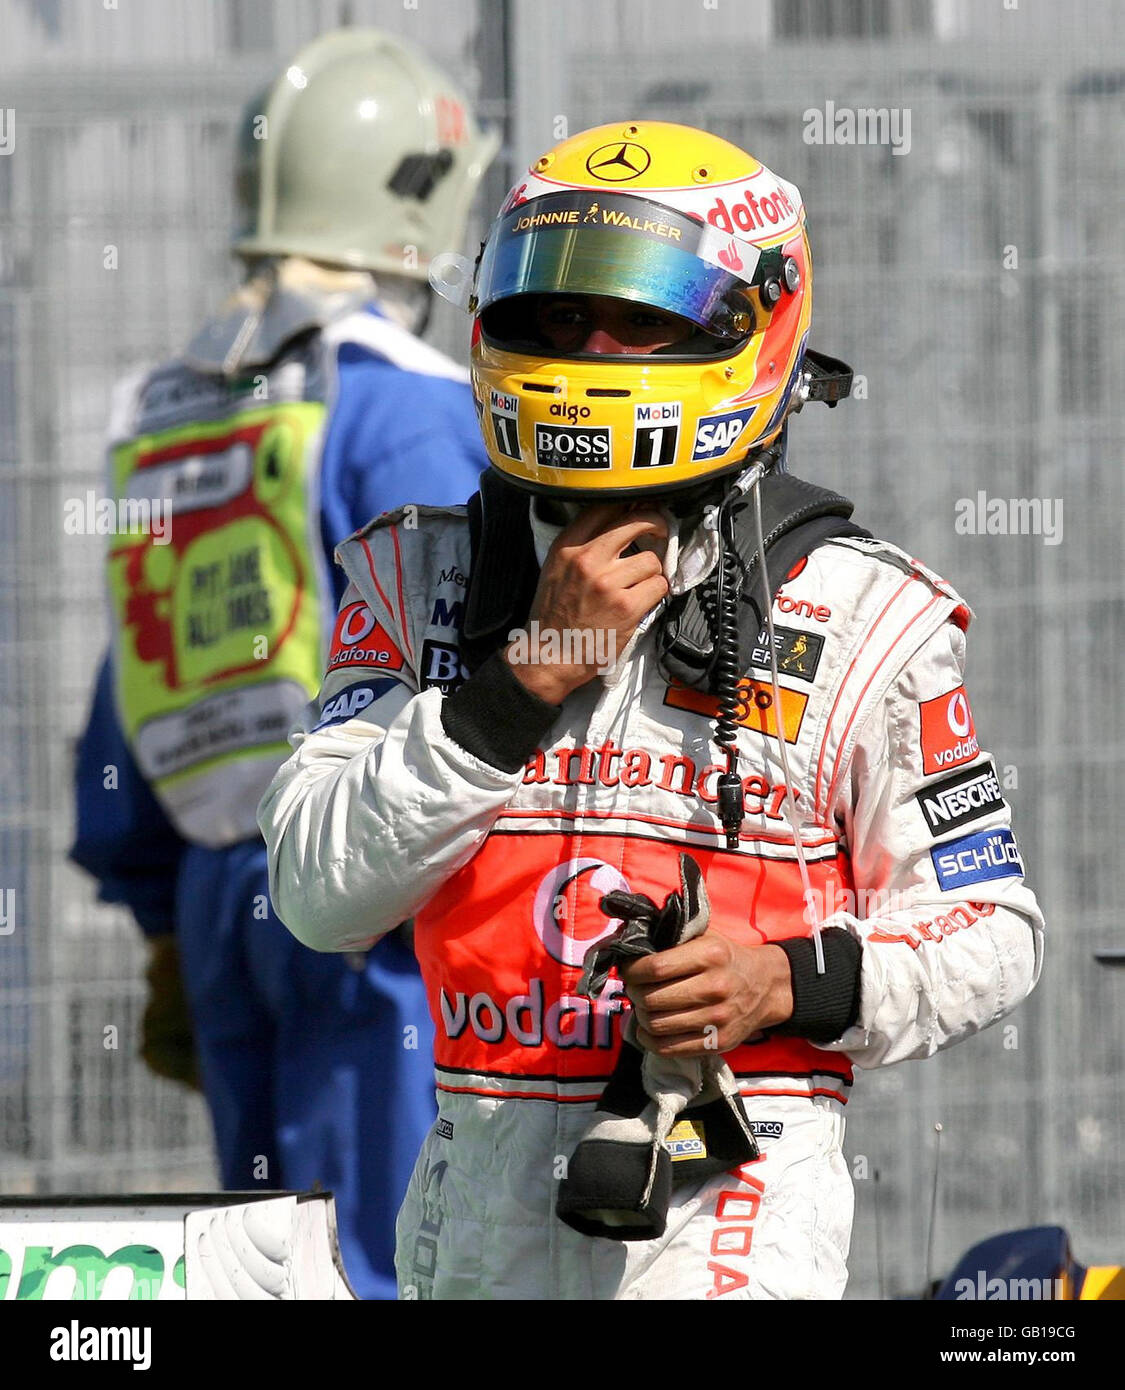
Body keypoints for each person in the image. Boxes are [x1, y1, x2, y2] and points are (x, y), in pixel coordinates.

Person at [258, 121, 1044, 1300]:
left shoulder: (869, 614)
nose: (590, 349)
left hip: (730, 1237)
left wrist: (785, 981)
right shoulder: (410, 580)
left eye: (641, 317)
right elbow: (317, 897)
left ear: (749, 327)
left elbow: (994, 929)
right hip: (470, 1237)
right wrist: (525, 676)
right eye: (556, 316)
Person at [69, 28, 496, 1300]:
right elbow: (470, 663)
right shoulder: (406, 403)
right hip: (373, 898)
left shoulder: (173, 407)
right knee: (395, 1260)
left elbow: (139, 680)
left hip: (216, 901)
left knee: (265, 1270)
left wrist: (159, 918)